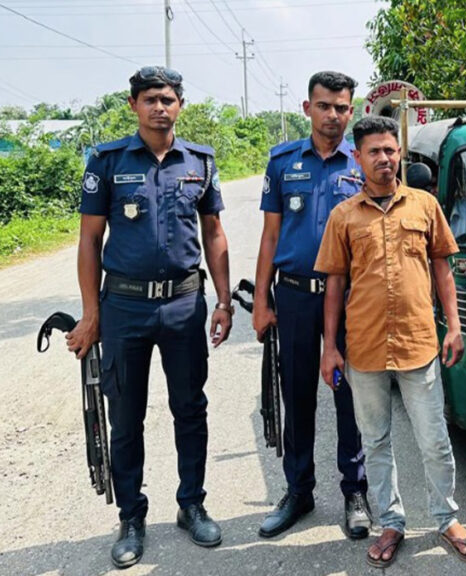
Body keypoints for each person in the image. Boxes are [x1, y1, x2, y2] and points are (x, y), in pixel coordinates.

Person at [64, 66, 232, 569]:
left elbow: (215, 233)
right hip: (126, 307)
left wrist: (223, 301)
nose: (161, 107)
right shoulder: (108, 161)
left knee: (190, 407)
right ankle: (132, 517)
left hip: (183, 303)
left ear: (181, 104)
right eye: (151, 99)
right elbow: (90, 240)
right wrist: (91, 313)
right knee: (126, 416)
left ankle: (191, 504)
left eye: (169, 99)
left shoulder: (199, 161)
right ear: (134, 104)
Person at [315, 116, 466, 568]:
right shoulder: (344, 216)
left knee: (434, 439)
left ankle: (446, 518)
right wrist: (330, 347)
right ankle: (391, 521)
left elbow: (443, 270)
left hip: (417, 343)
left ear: (399, 154)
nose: (385, 159)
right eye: (375, 151)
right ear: (358, 157)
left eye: (391, 150)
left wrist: (453, 325)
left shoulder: (425, 206)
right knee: (376, 441)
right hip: (364, 347)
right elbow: (334, 284)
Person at [252, 71, 370, 540]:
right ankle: (298, 491)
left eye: (342, 107)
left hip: (352, 300)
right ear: (307, 108)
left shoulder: (363, 162)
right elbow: (271, 236)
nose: (333, 116)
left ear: (351, 110)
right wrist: (262, 300)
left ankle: (355, 492)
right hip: (297, 295)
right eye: (325, 106)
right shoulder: (283, 162)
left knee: (350, 395)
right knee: (297, 394)